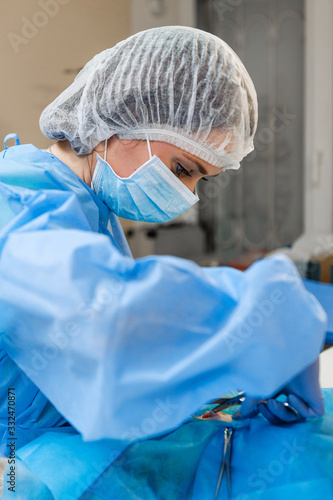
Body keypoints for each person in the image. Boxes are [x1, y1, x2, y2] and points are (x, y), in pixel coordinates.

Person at [0, 26, 327, 498]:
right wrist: (264, 311)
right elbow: (109, 317)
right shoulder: (17, 205)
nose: (188, 195)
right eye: (181, 169)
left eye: (202, 179)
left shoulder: (87, 206)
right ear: (123, 117)